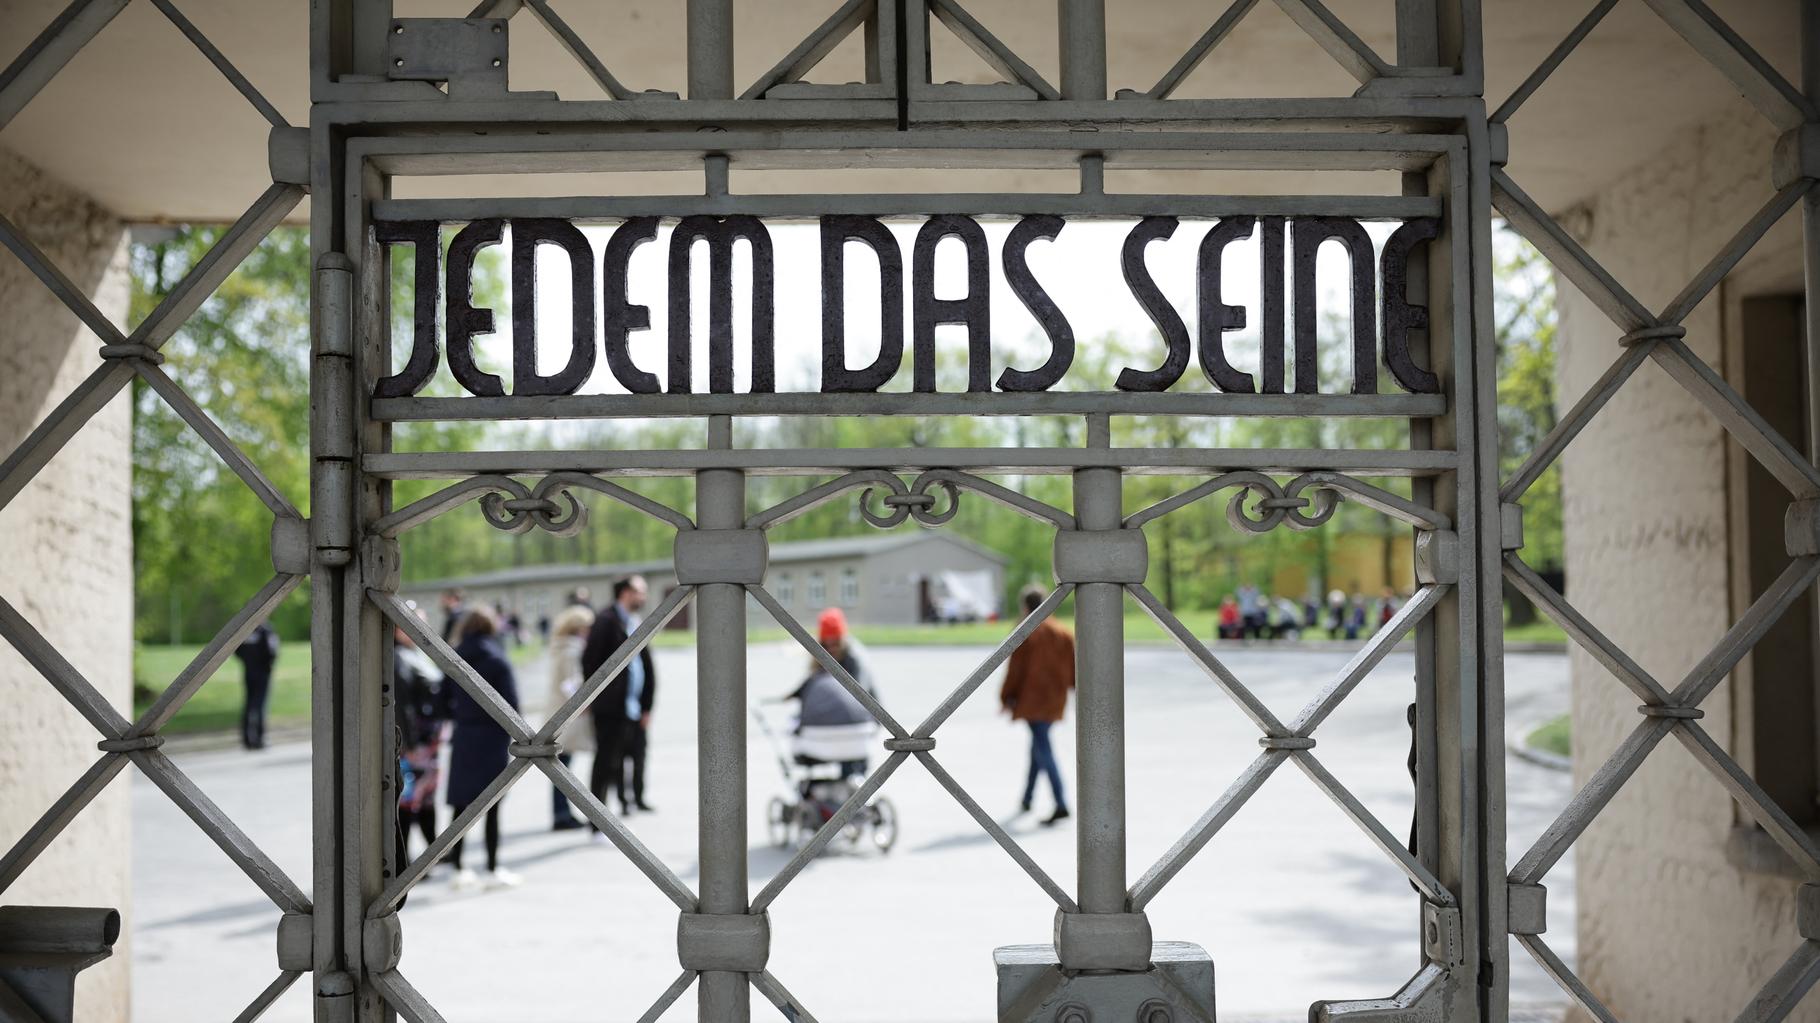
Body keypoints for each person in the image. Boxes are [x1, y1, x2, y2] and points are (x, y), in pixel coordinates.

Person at [446, 607, 522, 890]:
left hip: (465, 734)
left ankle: (457, 866)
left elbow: (442, 700)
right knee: (492, 804)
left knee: (460, 805)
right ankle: (491, 866)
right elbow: (512, 704)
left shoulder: (454, 657)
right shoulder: (497, 658)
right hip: (492, 736)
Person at [581, 576, 656, 819]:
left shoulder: (634, 621)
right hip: (612, 709)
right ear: (625, 593)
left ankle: (632, 800)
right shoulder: (605, 621)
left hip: (633, 707)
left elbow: (645, 666)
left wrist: (647, 706)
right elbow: (590, 662)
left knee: (635, 756)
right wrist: (599, 699)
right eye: (639, 592)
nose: (643, 597)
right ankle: (597, 819)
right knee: (606, 763)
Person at [999, 586, 1075, 826]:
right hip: (1054, 699)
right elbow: (1074, 670)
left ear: (1025, 606)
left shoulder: (1026, 632)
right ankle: (1027, 799)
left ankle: (1061, 802)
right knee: (1038, 747)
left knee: (1043, 748)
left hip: (1032, 700)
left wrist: (1006, 697)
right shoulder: (1063, 633)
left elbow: (1016, 670)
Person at [781, 608, 877, 782]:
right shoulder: (820, 661)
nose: (832, 648)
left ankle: (851, 782)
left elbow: (861, 694)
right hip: (830, 722)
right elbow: (813, 682)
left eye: (836, 643)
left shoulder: (854, 661)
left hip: (854, 718)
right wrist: (794, 694)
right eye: (827, 644)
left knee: (851, 755)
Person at [539, 601, 596, 831]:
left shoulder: (560, 647)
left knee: (561, 766)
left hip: (557, 711)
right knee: (563, 767)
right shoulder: (572, 649)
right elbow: (571, 682)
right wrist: (583, 705)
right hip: (565, 715)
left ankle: (562, 812)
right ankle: (561, 815)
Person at [393, 617, 446, 868]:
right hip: (415, 747)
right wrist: (409, 745)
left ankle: (432, 850)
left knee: (425, 798)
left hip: (428, 744)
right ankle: (404, 859)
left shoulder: (415, 655)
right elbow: (401, 705)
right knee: (409, 800)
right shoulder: (397, 658)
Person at [233, 620, 279, 750]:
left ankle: (247, 739)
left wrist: (248, 661)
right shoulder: (266, 630)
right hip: (263, 673)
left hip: (249, 672)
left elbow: (237, 650)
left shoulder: (245, 632)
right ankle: (259, 738)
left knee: (248, 704)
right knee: (260, 705)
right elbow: (272, 651)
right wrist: (268, 665)